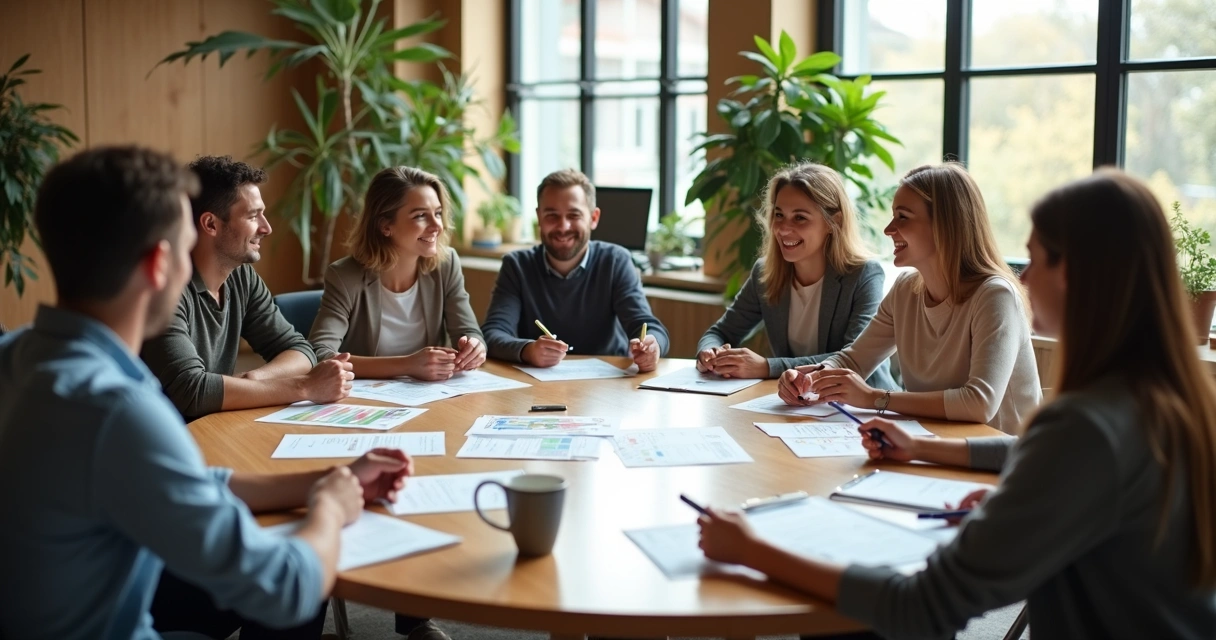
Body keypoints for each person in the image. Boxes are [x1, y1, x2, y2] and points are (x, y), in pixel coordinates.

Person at [699, 169, 1216, 639]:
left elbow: (923, 605)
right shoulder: (1162, 397)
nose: (1026, 280)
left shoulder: (1083, 421)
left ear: (1083, 274)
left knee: (859, 623)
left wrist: (753, 549)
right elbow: (1041, 456)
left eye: (1036, 260)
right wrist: (929, 451)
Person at [0, 146, 414, 640]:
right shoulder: (122, 410)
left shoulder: (20, 355)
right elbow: (283, 588)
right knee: (301, 565)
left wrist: (323, 480)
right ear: (160, 263)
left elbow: (184, 481)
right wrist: (329, 509)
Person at [778, 162, 1040, 434]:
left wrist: (873, 398)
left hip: (1003, 464)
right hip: (932, 446)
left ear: (944, 226)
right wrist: (808, 377)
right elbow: (853, 361)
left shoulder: (995, 296)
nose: (889, 229)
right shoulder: (906, 289)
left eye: (902, 217)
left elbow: (979, 403)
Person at [141, 155, 353, 422]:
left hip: (217, 425)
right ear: (211, 224)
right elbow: (192, 391)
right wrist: (306, 387)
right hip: (169, 438)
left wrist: (252, 379)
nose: (267, 227)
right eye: (253, 215)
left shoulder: (242, 277)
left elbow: (301, 350)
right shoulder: (166, 289)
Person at [695, 162, 895, 388]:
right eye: (779, 215)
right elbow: (721, 332)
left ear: (834, 222)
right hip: (797, 405)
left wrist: (767, 366)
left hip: (865, 408)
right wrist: (709, 352)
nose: (783, 228)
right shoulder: (766, 272)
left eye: (800, 218)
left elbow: (852, 361)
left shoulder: (863, 275)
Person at [481, 168, 669, 371]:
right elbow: (493, 333)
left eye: (574, 215)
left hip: (608, 385)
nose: (563, 226)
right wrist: (528, 350)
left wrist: (652, 345)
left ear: (593, 218)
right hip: (537, 387)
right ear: (539, 217)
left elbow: (647, 325)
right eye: (552, 215)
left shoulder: (615, 261)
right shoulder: (517, 266)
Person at [310, 166, 485, 383]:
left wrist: (475, 347)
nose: (437, 226)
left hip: (433, 394)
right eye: (420, 215)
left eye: (438, 213)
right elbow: (319, 354)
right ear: (385, 226)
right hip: (370, 400)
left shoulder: (446, 264)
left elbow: (468, 331)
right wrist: (407, 365)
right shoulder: (345, 276)